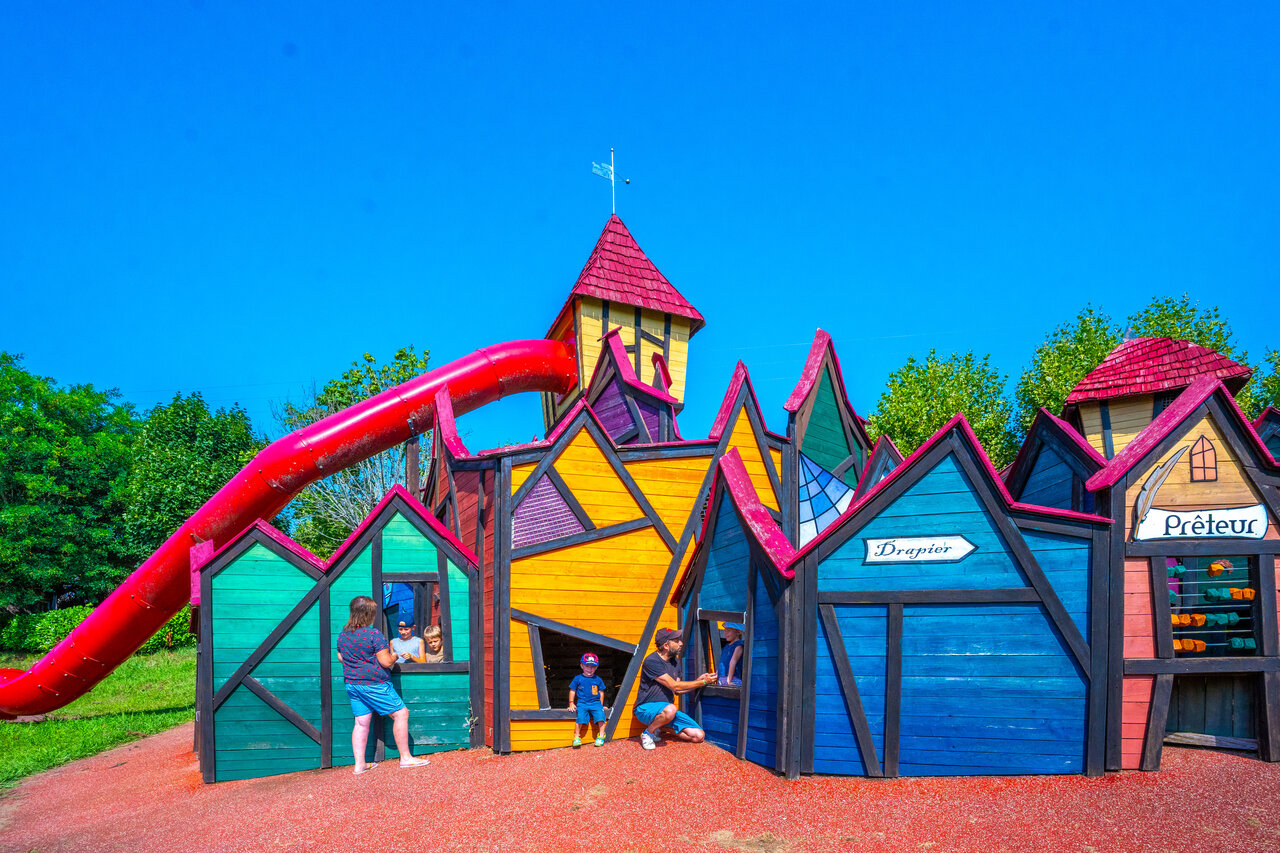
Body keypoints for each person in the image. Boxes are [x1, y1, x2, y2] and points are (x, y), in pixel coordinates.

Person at [334, 595, 431, 774]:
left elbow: (341, 657)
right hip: (374, 684)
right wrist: (394, 656)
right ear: (368, 614)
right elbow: (386, 662)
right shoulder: (373, 634)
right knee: (401, 713)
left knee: (361, 722)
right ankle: (406, 758)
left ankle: (359, 765)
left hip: (353, 685)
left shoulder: (343, 634)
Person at [632, 627, 716, 750]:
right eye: (676, 641)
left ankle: (661, 727)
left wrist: (698, 681)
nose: (681, 643)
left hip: (666, 711)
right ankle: (647, 733)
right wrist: (703, 682)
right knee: (671, 709)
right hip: (645, 708)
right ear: (666, 645)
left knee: (699, 736)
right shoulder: (652, 661)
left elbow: (678, 690)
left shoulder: (674, 662)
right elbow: (674, 685)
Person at [568, 652, 610, 748]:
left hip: (595, 703)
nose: (589, 669)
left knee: (601, 716)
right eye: (587, 666)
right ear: (581, 666)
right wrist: (571, 703)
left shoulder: (598, 679)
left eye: (592, 667)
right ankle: (576, 736)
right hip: (582, 703)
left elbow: (601, 692)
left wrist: (600, 705)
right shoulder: (577, 678)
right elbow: (572, 690)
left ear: (596, 668)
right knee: (580, 718)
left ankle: (601, 735)